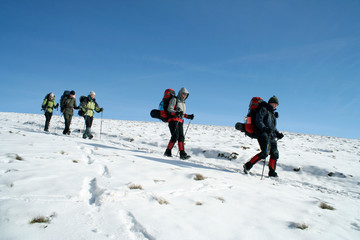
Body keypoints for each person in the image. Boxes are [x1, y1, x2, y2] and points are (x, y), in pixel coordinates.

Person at [243, 96, 284, 177]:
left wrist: (278, 133)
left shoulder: (271, 113)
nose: (275, 106)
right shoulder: (263, 108)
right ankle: (248, 165)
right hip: (262, 133)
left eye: (276, 105)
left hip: (271, 135)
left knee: (275, 153)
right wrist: (264, 129)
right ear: (270, 103)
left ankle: (272, 172)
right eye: (274, 104)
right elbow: (259, 120)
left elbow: (272, 127)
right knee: (265, 153)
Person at [164, 87, 194, 160]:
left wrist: (188, 116)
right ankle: (167, 151)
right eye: (184, 94)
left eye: (186, 95)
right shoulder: (174, 99)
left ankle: (182, 153)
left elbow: (182, 114)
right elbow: (169, 109)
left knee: (181, 137)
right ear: (181, 93)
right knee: (175, 136)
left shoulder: (183, 103)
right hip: (173, 120)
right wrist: (176, 113)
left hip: (180, 121)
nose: (185, 96)